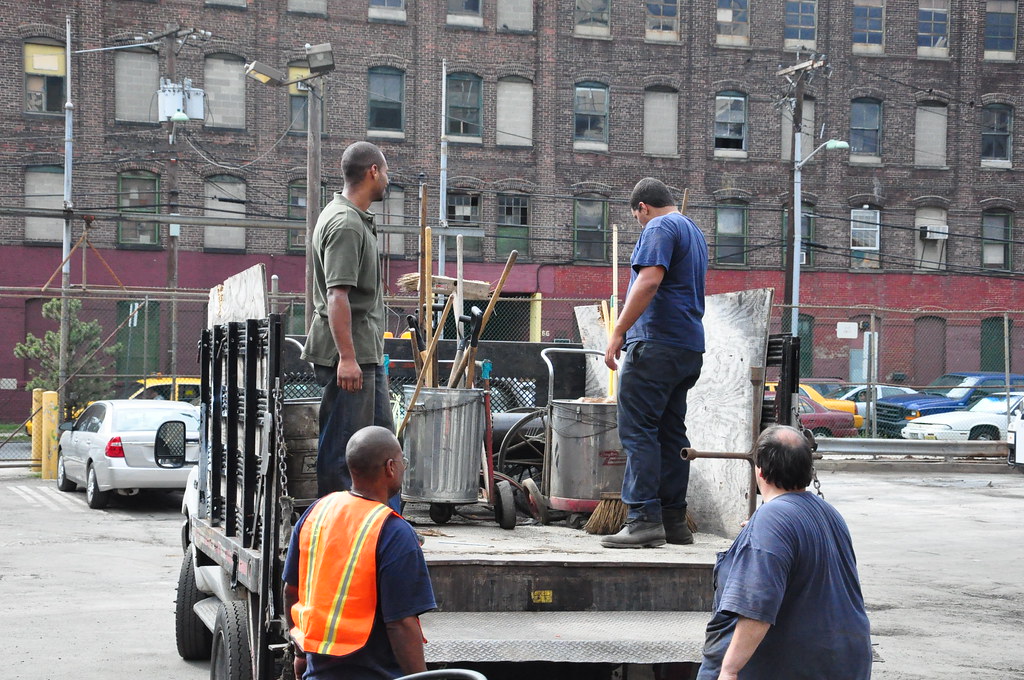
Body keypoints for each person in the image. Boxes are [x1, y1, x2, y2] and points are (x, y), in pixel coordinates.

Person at [697, 425, 872, 680]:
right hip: (842, 662)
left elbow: (757, 605)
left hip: (791, 667)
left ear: (760, 471)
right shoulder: (829, 514)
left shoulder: (773, 520)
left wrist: (729, 669)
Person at [602, 177, 708, 548]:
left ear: (642, 208)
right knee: (670, 433)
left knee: (638, 431)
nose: (639, 224)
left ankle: (643, 519)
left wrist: (618, 331)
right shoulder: (693, 230)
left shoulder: (659, 226)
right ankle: (673, 522)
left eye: (637, 218)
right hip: (688, 348)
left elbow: (648, 281)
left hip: (656, 344)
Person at [283, 426, 436, 680]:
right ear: (390, 468)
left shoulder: (317, 512)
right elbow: (401, 624)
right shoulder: (394, 532)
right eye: (402, 462)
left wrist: (300, 652)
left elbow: (291, 591)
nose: (403, 467)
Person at [301, 141, 394, 498]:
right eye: (385, 172)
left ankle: (384, 527)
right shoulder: (345, 225)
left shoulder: (354, 219)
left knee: (380, 445)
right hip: (352, 356)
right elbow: (337, 297)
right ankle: (338, 529)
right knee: (347, 451)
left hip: (365, 354)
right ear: (373, 171)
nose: (387, 179)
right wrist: (348, 358)